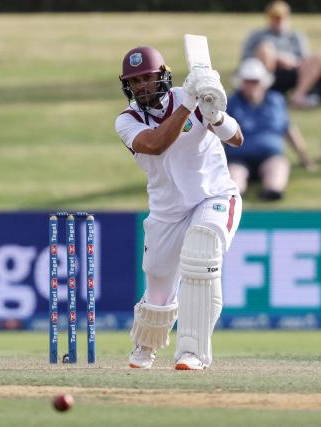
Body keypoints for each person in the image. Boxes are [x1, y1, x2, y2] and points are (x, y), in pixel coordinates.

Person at [115, 46, 244, 370]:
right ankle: (145, 346)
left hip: (212, 196)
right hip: (166, 210)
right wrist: (189, 104)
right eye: (136, 81)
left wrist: (216, 114)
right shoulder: (127, 120)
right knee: (158, 283)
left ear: (162, 76)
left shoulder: (192, 96)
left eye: (148, 77)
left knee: (201, 255)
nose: (143, 85)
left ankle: (193, 352)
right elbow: (156, 144)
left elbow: (237, 139)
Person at [226, 57, 315, 201]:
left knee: (279, 167)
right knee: (235, 181)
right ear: (241, 82)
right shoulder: (231, 102)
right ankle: (238, 195)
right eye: (247, 81)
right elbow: (218, 133)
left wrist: (304, 159)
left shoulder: (276, 100)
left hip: (271, 156)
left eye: (255, 81)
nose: (251, 85)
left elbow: (288, 130)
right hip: (237, 158)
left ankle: (272, 191)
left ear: (263, 82)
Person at [241, 0, 321, 108]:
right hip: (269, 74)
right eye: (275, 17)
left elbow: (305, 59)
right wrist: (275, 58)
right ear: (269, 18)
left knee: (316, 57)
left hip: (293, 73)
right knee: (266, 49)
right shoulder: (257, 35)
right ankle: (262, 94)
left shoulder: (296, 36)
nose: (278, 21)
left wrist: (292, 61)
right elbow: (246, 61)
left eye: (282, 17)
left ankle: (298, 96)